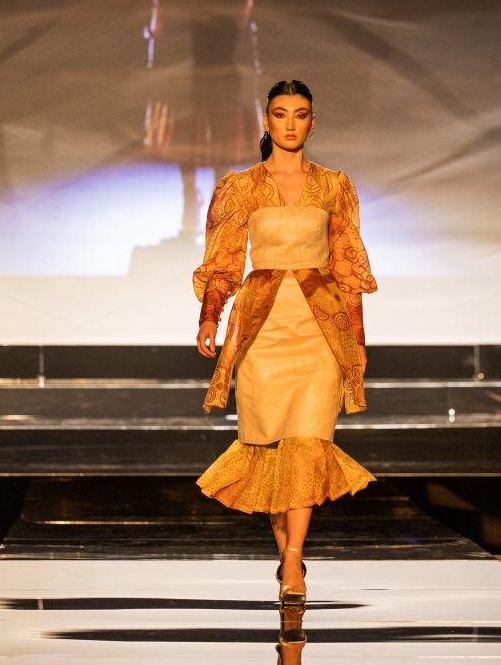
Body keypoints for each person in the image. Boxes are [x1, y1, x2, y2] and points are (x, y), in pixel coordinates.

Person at [192, 80, 377, 607]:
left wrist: (357, 339)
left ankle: (293, 559)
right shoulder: (241, 187)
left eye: (300, 114)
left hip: (320, 327)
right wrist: (209, 316)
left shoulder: (335, 186)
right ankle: (288, 553)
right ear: (266, 121)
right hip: (262, 327)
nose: (290, 123)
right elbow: (223, 260)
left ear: (312, 123)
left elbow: (347, 266)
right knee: (271, 443)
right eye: (280, 113)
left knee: (309, 440)